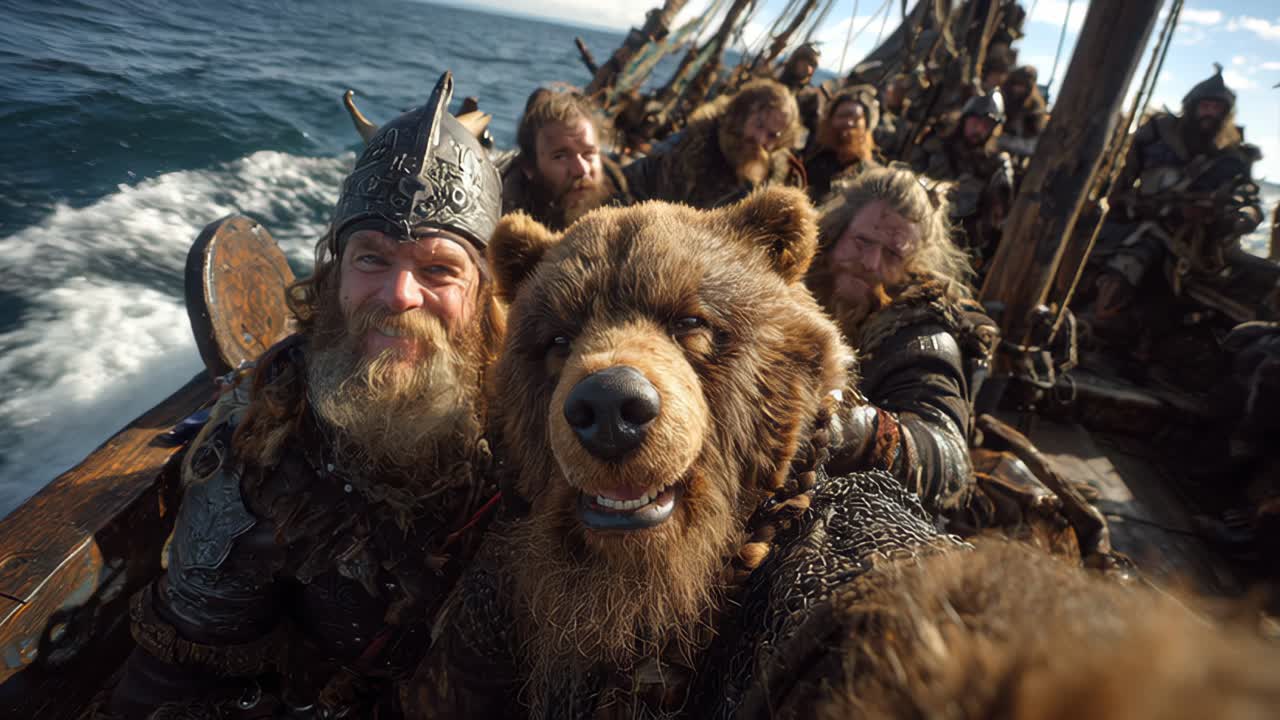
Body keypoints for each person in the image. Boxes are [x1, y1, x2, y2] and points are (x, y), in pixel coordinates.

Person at [102, 71, 505, 720]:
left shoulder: (540, 428)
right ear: (333, 275)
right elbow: (173, 678)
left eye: (437, 269)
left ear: (485, 293)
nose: (399, 296)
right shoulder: (265, 444)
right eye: (372, 259)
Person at [807, 166, 991, 521]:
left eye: (893, 254)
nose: (870, 263)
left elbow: (951, 461)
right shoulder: (796, 285)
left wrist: (859, 432)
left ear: (913, 263)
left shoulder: (920, 334)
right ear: (835, 232)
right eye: (862, 242)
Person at [1085, 66, 1263, 354]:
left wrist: (1229, 219)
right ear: (1192, 106)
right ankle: (1096, 324)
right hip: (1139, 223)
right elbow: (1118, 180)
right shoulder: (1158, 133)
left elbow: (1250, 207)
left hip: (1196, 245)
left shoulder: (1233, 158)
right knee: (1126, 258)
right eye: (1205, 105)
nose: (1210, 113)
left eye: (1217, 108)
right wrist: (1131, 203)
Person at [623, 78, 806, 209]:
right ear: (740, 114)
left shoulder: (768, 186)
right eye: (758, 125)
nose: (760, 140)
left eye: (772, 135)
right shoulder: (691, 143)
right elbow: (635, 180)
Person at [909, 91, 1015, 267]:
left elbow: (997, 220)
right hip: (918, 230)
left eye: (986, 125)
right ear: (964, 119)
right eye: (975, 122)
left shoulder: (995, 166)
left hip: (959, 249)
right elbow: (909, 182)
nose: (979, 129)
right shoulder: (934, 146)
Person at [502, 88, 630, 231]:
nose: (581, 170)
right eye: (560, 156)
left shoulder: (626, 197)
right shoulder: (505, 220)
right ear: (530, 168)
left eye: (588, 153)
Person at [804, 84, 881, 203]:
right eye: (843, 116)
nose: (849, 123)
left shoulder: (874, 172)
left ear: (866, 124)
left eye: (856, 118)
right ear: (831, 120)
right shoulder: (812, 159)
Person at [998, 64, 1047, 163]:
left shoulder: (1035, 108)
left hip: (1018, 149)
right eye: (1015, 83)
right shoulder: (1001, 96)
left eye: (1023, 85)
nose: (1017, 88)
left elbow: (1031, 144)